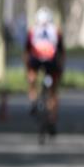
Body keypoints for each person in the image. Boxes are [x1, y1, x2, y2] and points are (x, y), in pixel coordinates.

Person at [25, 7, 65, 135]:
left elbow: (27, 51)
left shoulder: (32, 31)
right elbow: (61, 52)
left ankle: (33, 99)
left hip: (36, 59)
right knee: (53, 91)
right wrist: (61, 69)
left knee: (31, 76)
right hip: (51, 60)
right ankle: (52, 120)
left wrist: (27, 68)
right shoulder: (56, 31)